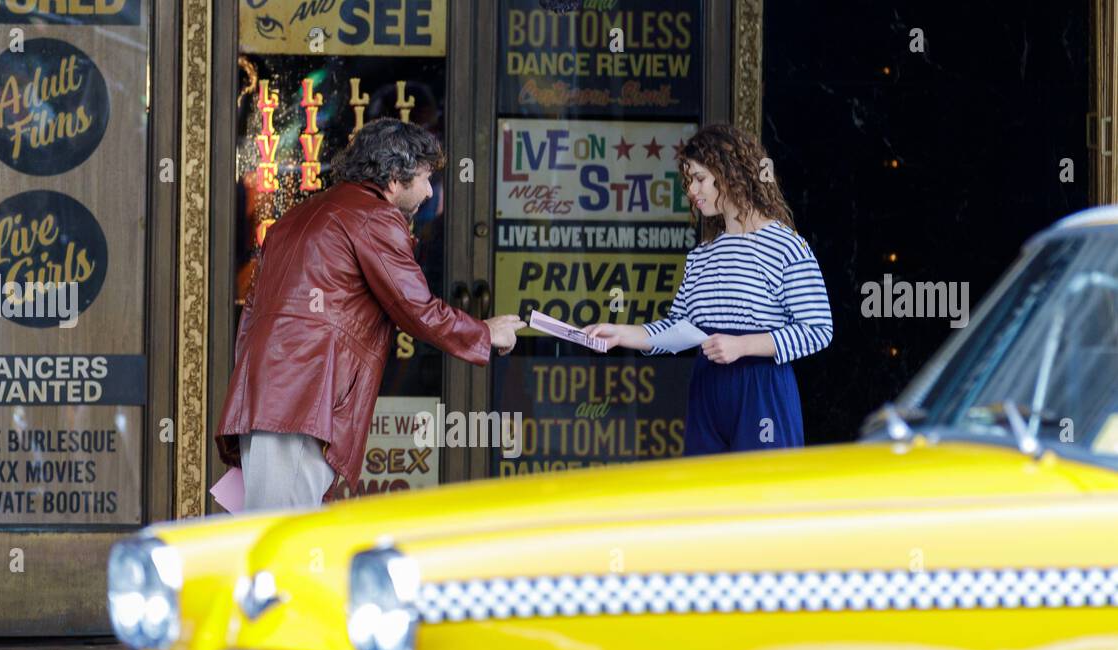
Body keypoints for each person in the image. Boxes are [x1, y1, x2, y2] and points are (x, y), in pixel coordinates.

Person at [216, 118, 525, 510]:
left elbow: (252, 319)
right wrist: (484, 331)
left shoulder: (296, 217)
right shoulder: (374, 217)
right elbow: (416, 308)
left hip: (269, 397)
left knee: (271, 528)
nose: (430, 192)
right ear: (395, 177)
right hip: (301, 401)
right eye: (426, 178)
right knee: (284, 538)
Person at [588, 123, 832, 454]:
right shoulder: (702, 253)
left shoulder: (786, 246)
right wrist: (622, 334)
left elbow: (818, 329)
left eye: (699, 178)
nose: (691, 190)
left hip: (760, 388)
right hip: (707, 388)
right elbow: (680, 327)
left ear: (730, 173)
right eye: (688, 180)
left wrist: (742, 345)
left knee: (762, 498)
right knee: (706, 497)